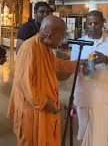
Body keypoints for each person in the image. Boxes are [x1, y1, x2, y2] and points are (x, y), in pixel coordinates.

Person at [7, 15, 86, 146]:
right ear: (50, 35)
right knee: (31, 141)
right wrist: (44, 103)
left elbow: (58, 65)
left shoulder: (46, 48)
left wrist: (79, 63)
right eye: (60, 37)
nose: (62, 41)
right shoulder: (30, 48)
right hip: (32, 107)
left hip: (44, 104)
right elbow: (24, 83)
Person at [71, 10, 108, 146]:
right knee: (85, 126)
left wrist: (106, 59)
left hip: (107, 92)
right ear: (86, 25)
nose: (93, 26)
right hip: (85, 91)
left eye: (96, 23)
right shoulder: (79, 42)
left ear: (103, 23)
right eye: (90, 23)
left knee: (104, 127)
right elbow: (72, 63)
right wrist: (81, 67)